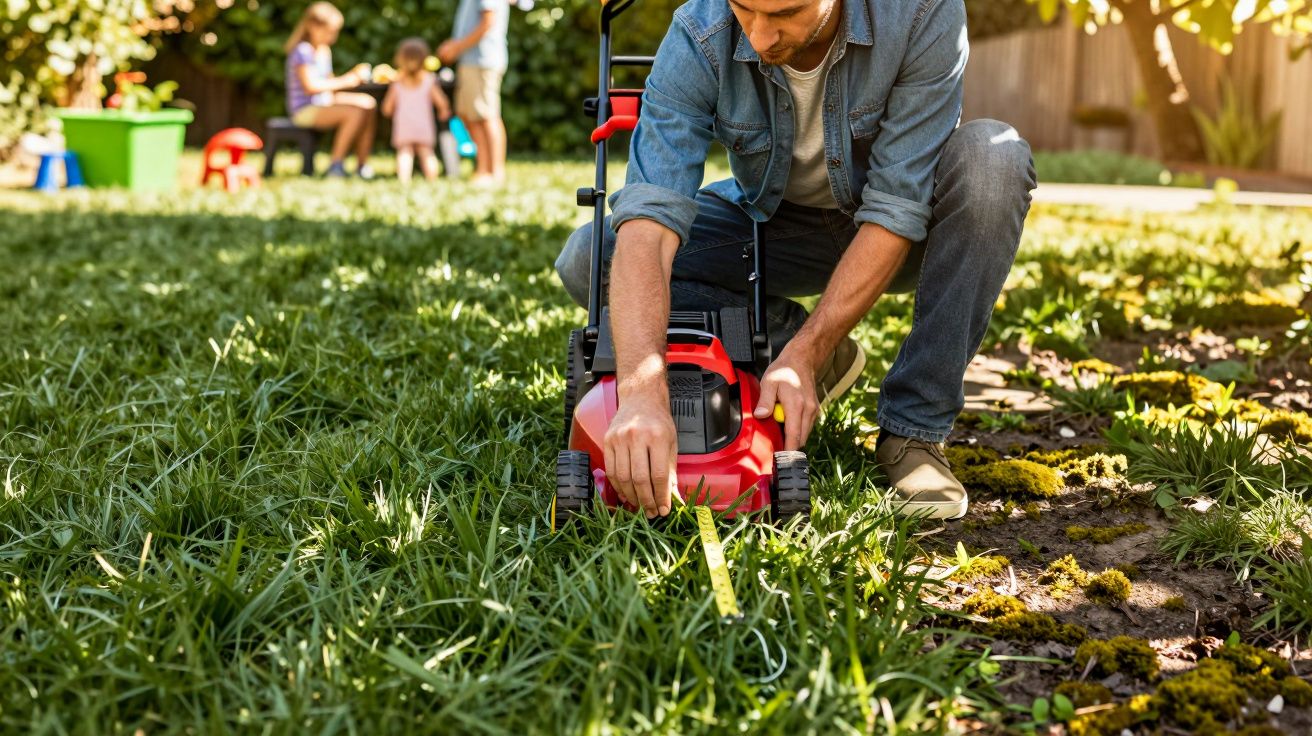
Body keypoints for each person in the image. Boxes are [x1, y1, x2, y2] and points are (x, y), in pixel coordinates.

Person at [555, 0, 1036, 521]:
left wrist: (806, 354)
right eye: (745, 10)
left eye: (785, 14)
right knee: (592, 258)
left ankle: (913, 432)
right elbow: (648, 222)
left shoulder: (922, 11)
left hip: (906, 229)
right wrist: (642, 389)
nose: (760, 38)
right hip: (773, 227)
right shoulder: (699, 30)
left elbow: (897, 207)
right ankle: (798, 342)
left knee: (994, 159)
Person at [284, 2, 378, 179]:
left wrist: (353, 79)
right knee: (354, 113)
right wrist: (347, 80)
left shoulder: (323, 50)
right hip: (304, 110)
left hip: (323, 102)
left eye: (335, 32)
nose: (333, 37)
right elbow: (311, 87)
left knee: (368, 103)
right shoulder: (303, 51)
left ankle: (362, 165)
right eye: (329, 31)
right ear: (312, 26)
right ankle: (336, 165)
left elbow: (330, 84)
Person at [438, 0, 510, 186]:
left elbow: (488, 22)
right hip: (471, 60)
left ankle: (494, 172)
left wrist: (456, 47)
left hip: (482, 60)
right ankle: (483, 168)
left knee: (486, 116)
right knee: (468, 115)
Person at [383, 38, 453, 184]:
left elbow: (387, 108)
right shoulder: (428, 80)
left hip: (404, 125)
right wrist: (443, 111)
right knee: (426, 152)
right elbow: (442, 102)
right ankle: (432, 180)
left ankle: (404, 182)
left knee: (404, 152)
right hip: (423, 125)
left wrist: (388, 113)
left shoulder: (397, 82)